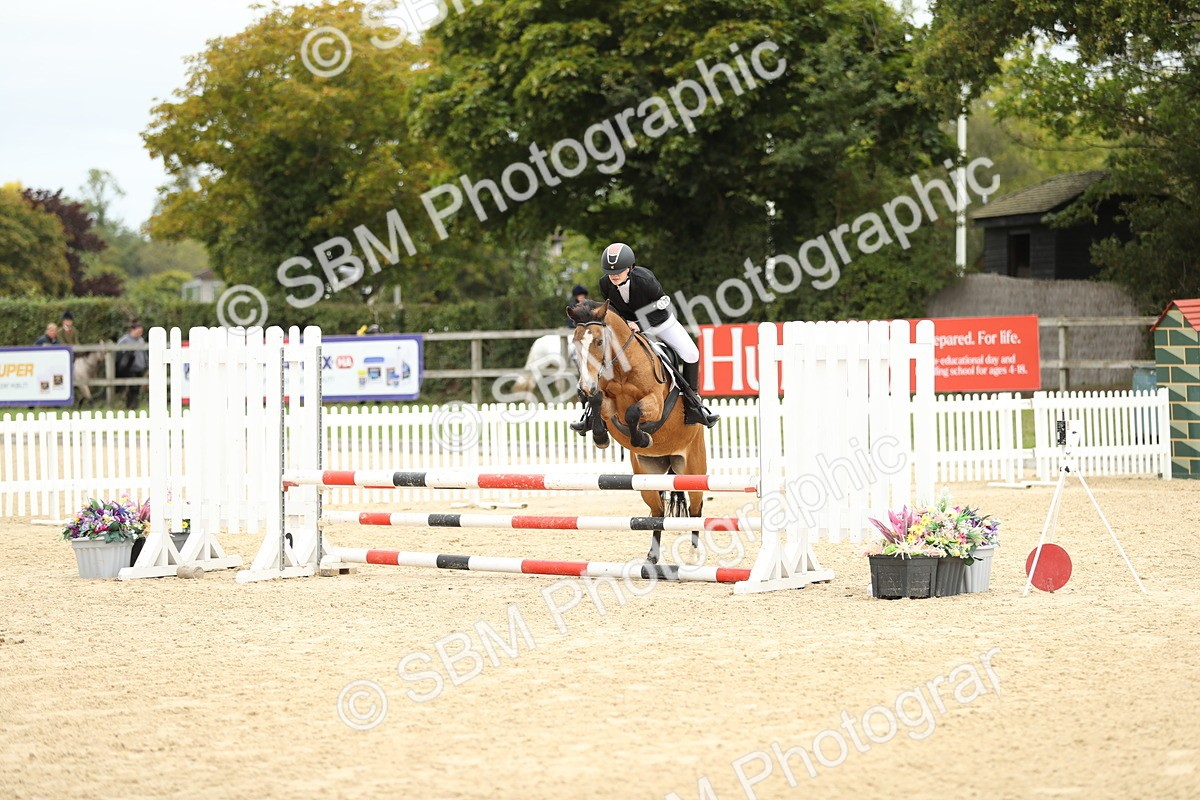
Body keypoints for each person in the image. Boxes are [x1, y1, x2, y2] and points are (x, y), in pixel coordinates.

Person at [571, 242, 719, 430]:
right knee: (602, 355)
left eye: (619, 270)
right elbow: (614, 310)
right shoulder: (605, 284)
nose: (614, 275)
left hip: (659, 322)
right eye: (610, 271)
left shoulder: (645, 279)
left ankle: (694, 405)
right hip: (629, 327)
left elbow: (662, 306)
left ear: (630, 268)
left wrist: (641, 325)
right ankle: (592, 415)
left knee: (691, 353)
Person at [116, 320, 148, 409]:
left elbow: (144, 353)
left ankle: (134, 405)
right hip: (130, 368)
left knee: (137, 388)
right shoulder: (124, 340)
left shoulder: (141, 340)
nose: (140, 333)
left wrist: (146, 363)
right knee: (132, 387)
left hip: (140, 367)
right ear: (132, 330)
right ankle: (130, 405)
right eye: (138, 331)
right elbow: (118, 351)